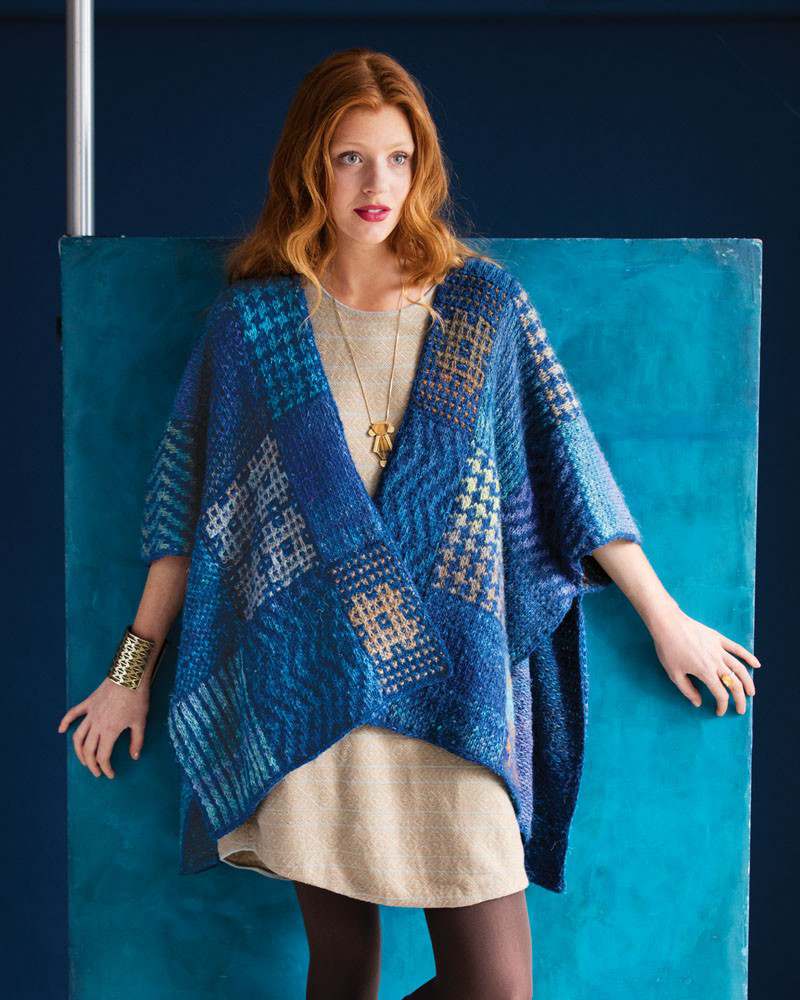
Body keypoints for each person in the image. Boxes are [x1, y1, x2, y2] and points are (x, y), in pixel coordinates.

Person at [58, 47, 761, 1000]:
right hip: (311, 694)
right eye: (349, 158)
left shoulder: (483, 308)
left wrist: (665, 618)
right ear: (310, 167)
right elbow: (188, 517)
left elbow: (570, 471)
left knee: (496, 986)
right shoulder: (254, 327)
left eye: (397, 158)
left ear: (422, 167)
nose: (375, 184)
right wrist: (128, 674)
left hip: (459, 691)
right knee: (344, 969)